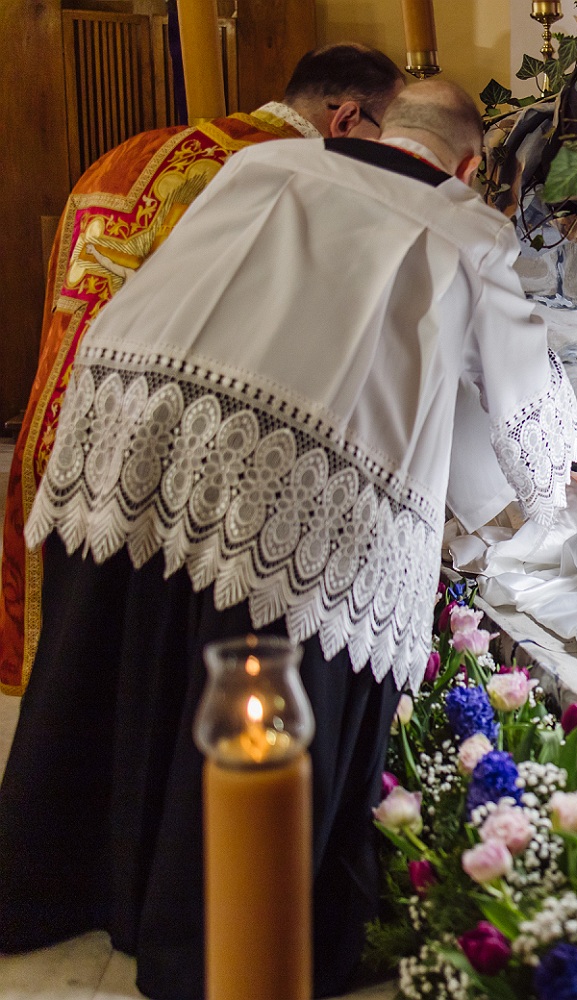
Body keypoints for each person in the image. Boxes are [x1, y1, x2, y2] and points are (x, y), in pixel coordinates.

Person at [0, 79, 577, 999]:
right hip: (297, 463)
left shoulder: (266, 163)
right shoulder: (468, 227)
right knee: (258, 663)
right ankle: (202, 935)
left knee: (125, 647)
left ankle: (55, 886)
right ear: (468, 166)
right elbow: (518, 377)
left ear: (381, 125)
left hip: (135, 409)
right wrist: (575, 457)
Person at [0, 42, 407, 696]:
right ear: (347, 118)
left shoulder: (136, 151)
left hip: (63, 419)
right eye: (389, 140)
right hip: (160, 457)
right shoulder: (289, 176)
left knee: (72, 658)